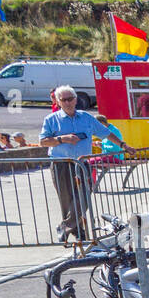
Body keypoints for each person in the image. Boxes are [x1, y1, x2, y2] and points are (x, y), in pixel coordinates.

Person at [39, 85, 115, 242]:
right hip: (61, 164)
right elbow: (43, 141)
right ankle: (79, 233)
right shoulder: (51, 120)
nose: (67, 102)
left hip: (81, 163)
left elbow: (105, 133)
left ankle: (65, 226)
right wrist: (63, 139)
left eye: (70, 99)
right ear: (58, 102)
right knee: (66, 200)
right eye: (63, 100)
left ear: (76, 99)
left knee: (84, 197)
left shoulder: (86, 117)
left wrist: (123, 145)